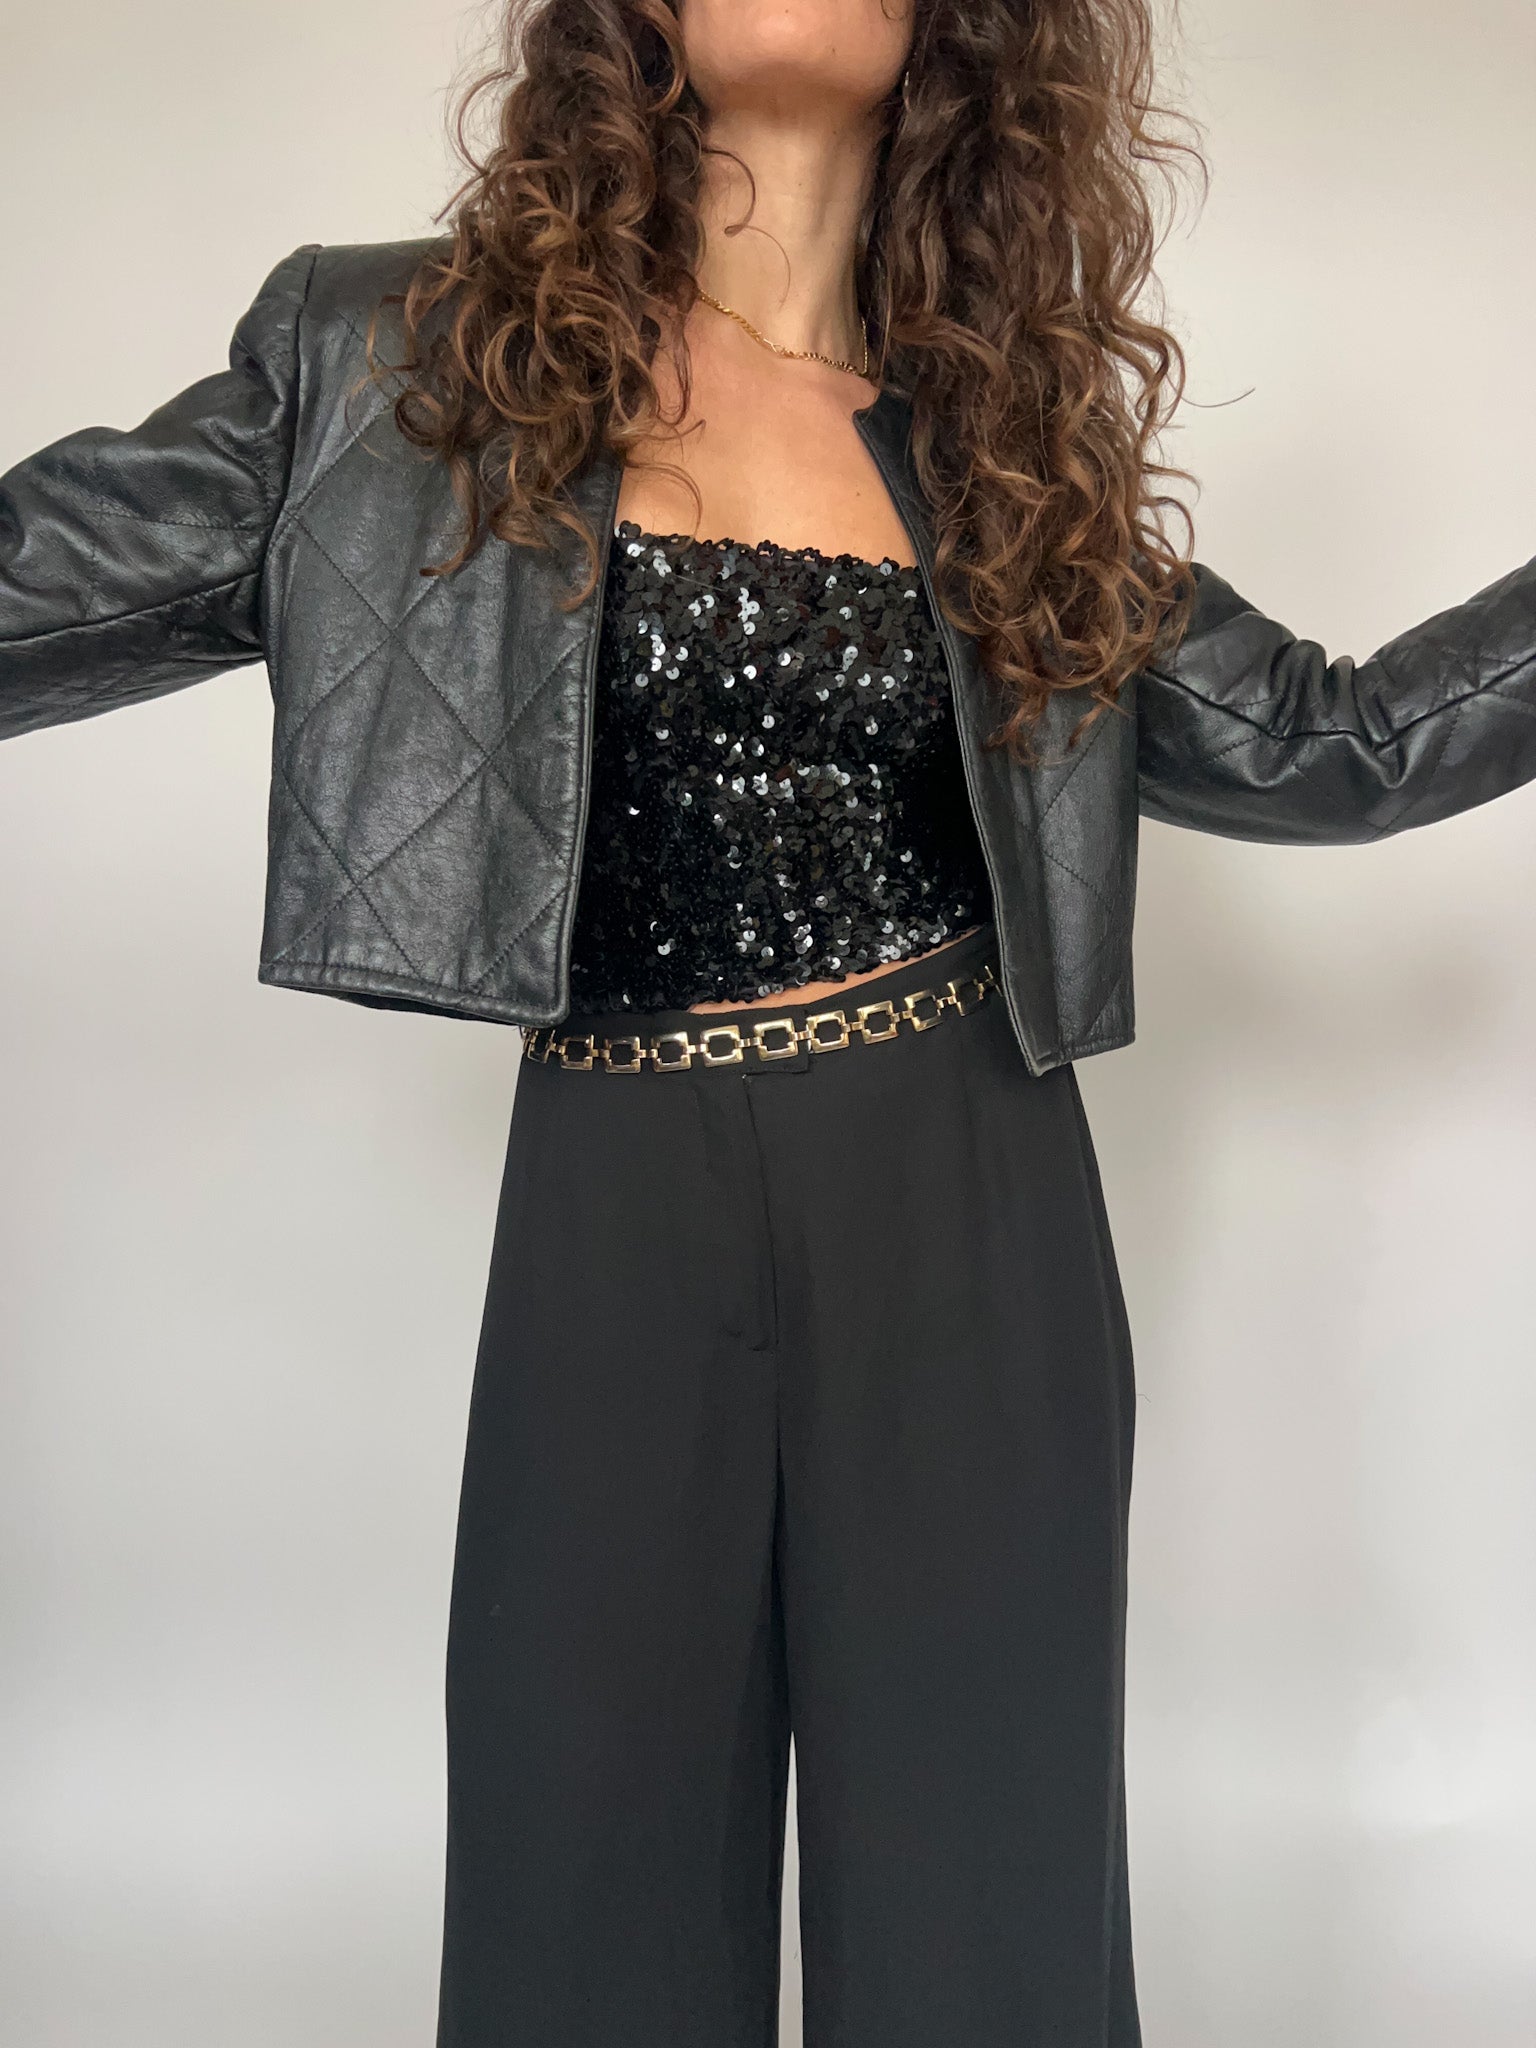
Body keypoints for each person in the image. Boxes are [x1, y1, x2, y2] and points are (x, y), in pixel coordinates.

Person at [2, 2, 1532, 2043]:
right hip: (614, 1194)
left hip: (966, 1201)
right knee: (577, 1919)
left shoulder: (1004, 466)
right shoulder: (400, 369)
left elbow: (1343, 742)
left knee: (985, 1939)